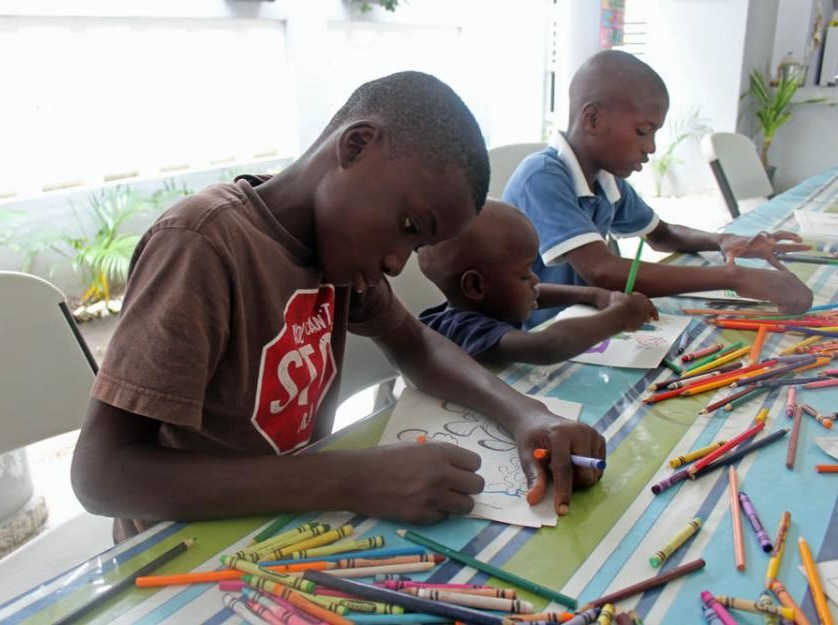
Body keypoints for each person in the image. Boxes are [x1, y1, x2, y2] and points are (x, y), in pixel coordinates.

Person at [71, 72, 603, 542]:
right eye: (409, 228)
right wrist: (351, 478)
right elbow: (103, 475)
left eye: (416, 247)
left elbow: (415, 345)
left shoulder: (337, 253)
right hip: (186, 550)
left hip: (289, 526)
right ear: (356, 146)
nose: (398, 264)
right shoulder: (204, 245)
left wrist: (527, 414)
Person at [502, 50, 813, 328]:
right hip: (533, 334)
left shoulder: (606, 182)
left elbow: (662, 235)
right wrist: (735, 276)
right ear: (592, 118)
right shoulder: (542, 178)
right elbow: (602, 270)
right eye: (642, 131)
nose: (650, 148)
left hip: (585, 323)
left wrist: (722, 240)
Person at [417, 199, 658, 364]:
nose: (535, 279)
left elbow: (535, 292)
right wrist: (620, 317)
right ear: (476, 286)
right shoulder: (463, 330)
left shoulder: (485, 303)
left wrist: (593, 295)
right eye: (524, 275)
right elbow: (548, 345)